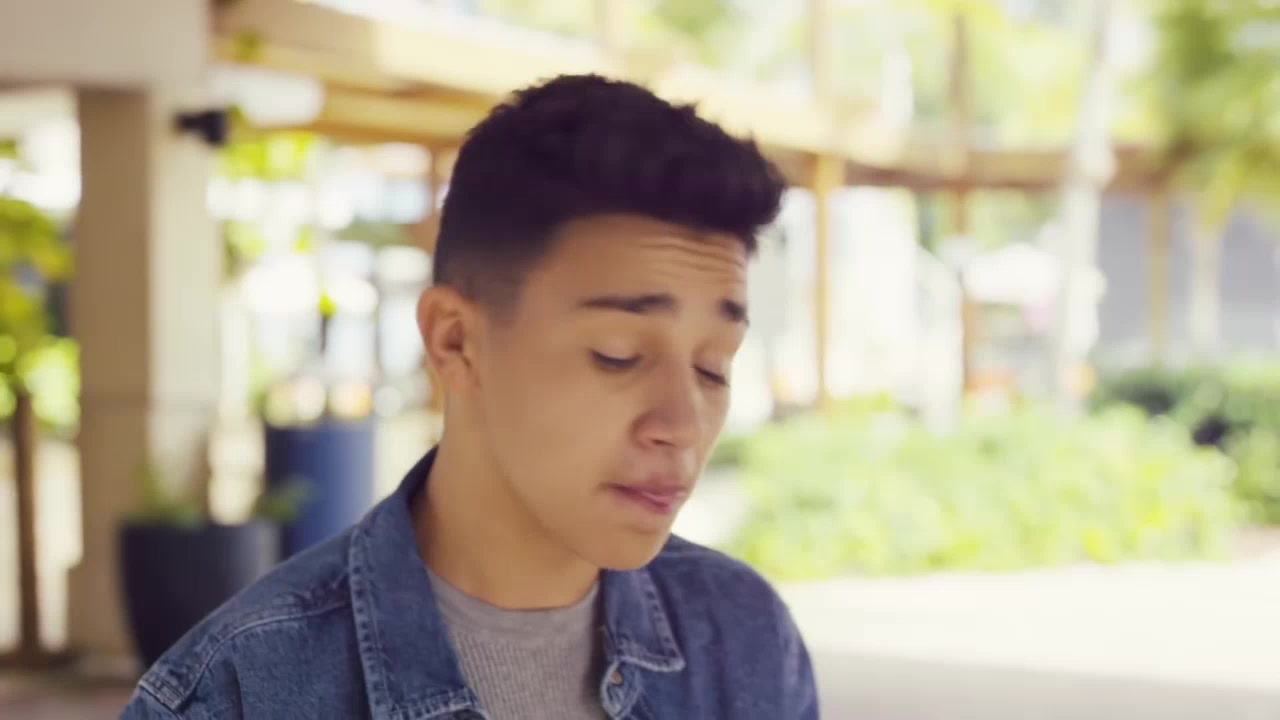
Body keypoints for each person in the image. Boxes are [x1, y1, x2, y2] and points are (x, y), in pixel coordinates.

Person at [122, 74, 818, 720]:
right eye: (619, 354)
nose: (683, 424)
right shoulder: (236, 693)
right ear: (454, 341)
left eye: (713, 367)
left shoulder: (742, 636)